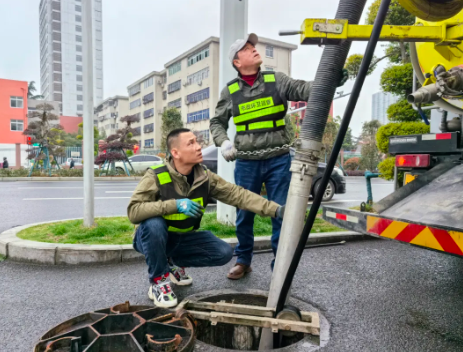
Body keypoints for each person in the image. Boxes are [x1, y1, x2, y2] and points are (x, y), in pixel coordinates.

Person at [210, 33, 348, 280]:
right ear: (237, 62)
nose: (254, 49)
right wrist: (224, 142)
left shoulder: (277, 80)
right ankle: (243, 260)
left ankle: (280, 263)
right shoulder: (230, 91)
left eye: (253, 46)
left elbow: (305, 90)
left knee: (282, 211)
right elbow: (217, 122)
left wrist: (330, 80)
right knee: (244, 213)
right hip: (246, 162)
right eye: (247, 48)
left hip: (278, 159)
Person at [127, 128, 285, 308]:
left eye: (197, 141)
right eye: (191, 143)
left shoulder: (205, 177)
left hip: (181, 240)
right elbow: (134, 211)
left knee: (223, 252)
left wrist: (276, 210)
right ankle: (158, 283)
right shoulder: (155, 174)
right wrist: (175, 204)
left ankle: (170, 262)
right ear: (175, 153)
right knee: (154, 224)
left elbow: (239, 195)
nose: (198, 147)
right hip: (150, 239)